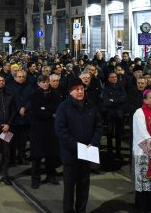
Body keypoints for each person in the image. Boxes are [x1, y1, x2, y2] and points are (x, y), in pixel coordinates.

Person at [55, 77, 103, 213]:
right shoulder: (63, 107)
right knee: (69, 189)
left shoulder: (91, 105)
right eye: (76, 89)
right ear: (70, 91)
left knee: (83, 187)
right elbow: (60, 131)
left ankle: (81, 210)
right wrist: (77, 147)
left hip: (87, 154)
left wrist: (93, 142)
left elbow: (99, 126)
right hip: (70, 155)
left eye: (82, 89)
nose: (80, 91)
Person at [28, 75, 61, 189]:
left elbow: (57, 108)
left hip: (51, 129)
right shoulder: (34, 95)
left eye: (47, 82)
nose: (45, 84)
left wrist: (45, 109)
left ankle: (51, 175)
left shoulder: (55, 95)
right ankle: (35, 178)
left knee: (51, 154)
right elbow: (36, 111)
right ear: (38, 83)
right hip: (38, 129)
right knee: (37, 156)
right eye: (42, 82)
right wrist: (50, 114)